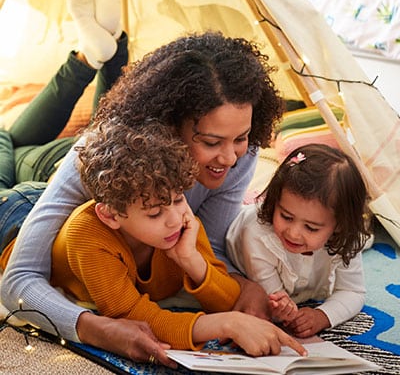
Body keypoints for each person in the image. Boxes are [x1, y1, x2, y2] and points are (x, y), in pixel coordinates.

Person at [1, 0, 286, 363]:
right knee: (9, 144)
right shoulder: (94, 159)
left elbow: (208, 249)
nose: (231, 158)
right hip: (24, 199)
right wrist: (93, 327)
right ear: (169, 125)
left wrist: (241, 285)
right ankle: (92, 57)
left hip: (109, 192)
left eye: (241, 138)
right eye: (210, 142)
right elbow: (18, 280)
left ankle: (100, 52)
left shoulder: (239, 153)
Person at [1, 118, 305, 358]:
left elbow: (226, 297)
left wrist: (191, 260)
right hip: (13, 218)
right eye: (154, 213)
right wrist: (225, 324)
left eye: (177, 199)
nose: (174, 218)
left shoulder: (181, 223)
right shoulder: (90, 234)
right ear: (110, 215)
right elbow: (131, 315)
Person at [0, 0, 127, 254]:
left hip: (86, 155)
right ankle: (89, 57)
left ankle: (108, 47)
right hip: (63, 163)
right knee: (12, 143)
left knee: (109, 129)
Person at [226, 143, 372, 338]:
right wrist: (282, 308)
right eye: (286, 216)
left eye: (311, 228)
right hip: (240, 249)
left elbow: (353, 292)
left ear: (340, 225)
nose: (293, 233)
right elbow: (273, 301)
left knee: (362, 240)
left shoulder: (347, 237)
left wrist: (323, 315)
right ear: (275, 202)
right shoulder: (256, 234)